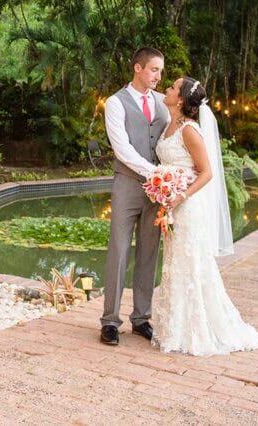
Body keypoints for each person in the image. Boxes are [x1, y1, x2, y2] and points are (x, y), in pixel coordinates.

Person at [150, 76, 258, 355]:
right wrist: (164, 190)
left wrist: (180, 194)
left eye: (173, 87)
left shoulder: (189, 130)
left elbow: (207, 172)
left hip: (187, 207)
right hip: (171, 205)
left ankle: (196, 328)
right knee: (175, 262)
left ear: (180, 99)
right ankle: (174, 326)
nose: (167, 88)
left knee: (190, 263)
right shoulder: (169, 124)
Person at [100, 47, 168, 346]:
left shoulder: (164, 103)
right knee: (118, 250)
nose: (158, 76)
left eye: (161, 71)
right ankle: (110, 321)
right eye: (154, 70)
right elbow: (122, 149)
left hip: (157, 191)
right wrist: (154, 172)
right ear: (137, 68)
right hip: (127, 185)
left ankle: (141, 318)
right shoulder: (115, 103)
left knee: (149, 253)